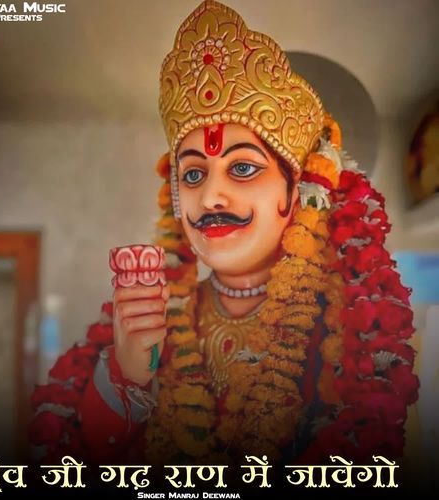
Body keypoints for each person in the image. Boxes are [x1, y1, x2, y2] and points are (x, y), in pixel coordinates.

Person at [29, 0, 418, 468]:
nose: (211, 196)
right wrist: (127, 373)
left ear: (301, 190)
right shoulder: (158, 318)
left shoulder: (346, 326)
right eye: (193, 175)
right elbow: (77, 460)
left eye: (243, 168)